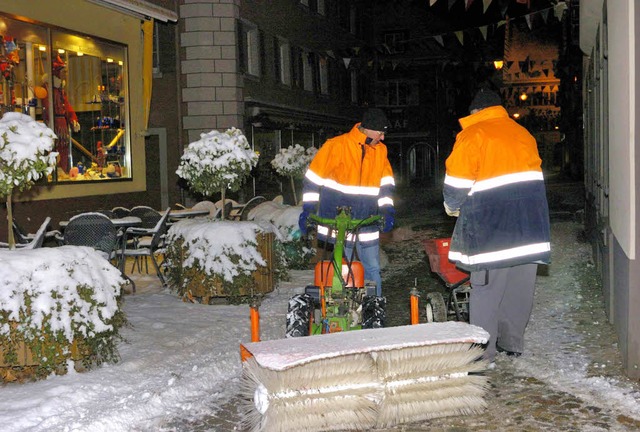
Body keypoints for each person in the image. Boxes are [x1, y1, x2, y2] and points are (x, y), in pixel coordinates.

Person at [443, 88, 551, 364]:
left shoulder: (473, 134)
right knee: (519, 289)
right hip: (530, 229)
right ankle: (512, 343)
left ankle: (484, 352)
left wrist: (452, 207)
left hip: (493, 231)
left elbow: (457, 184)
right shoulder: (522, 134)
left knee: (487, 291)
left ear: (476, 112)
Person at [299, 108, 396, 297]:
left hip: (367, 220)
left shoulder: (380, 151)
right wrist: (308, 209)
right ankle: (349, 306)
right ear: (367, 129)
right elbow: (313, 180)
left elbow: (386, 186)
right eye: (380, 132)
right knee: (344, 266)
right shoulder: (336, 146)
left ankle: (373, 309)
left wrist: (387, 210)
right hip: (338, 220)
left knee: (373, 268)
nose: (383, 138)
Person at [42, 55, 81, 173]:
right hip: (55, 125)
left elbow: (67, 106)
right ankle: (55, 172)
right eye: (64, 71)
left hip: (62, 124)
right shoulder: (48, 89)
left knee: (63, 148)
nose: (65, 74)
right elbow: (47, 107)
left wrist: (73, 119)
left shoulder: (60, 89)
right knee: (55, 148)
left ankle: (62, 171)